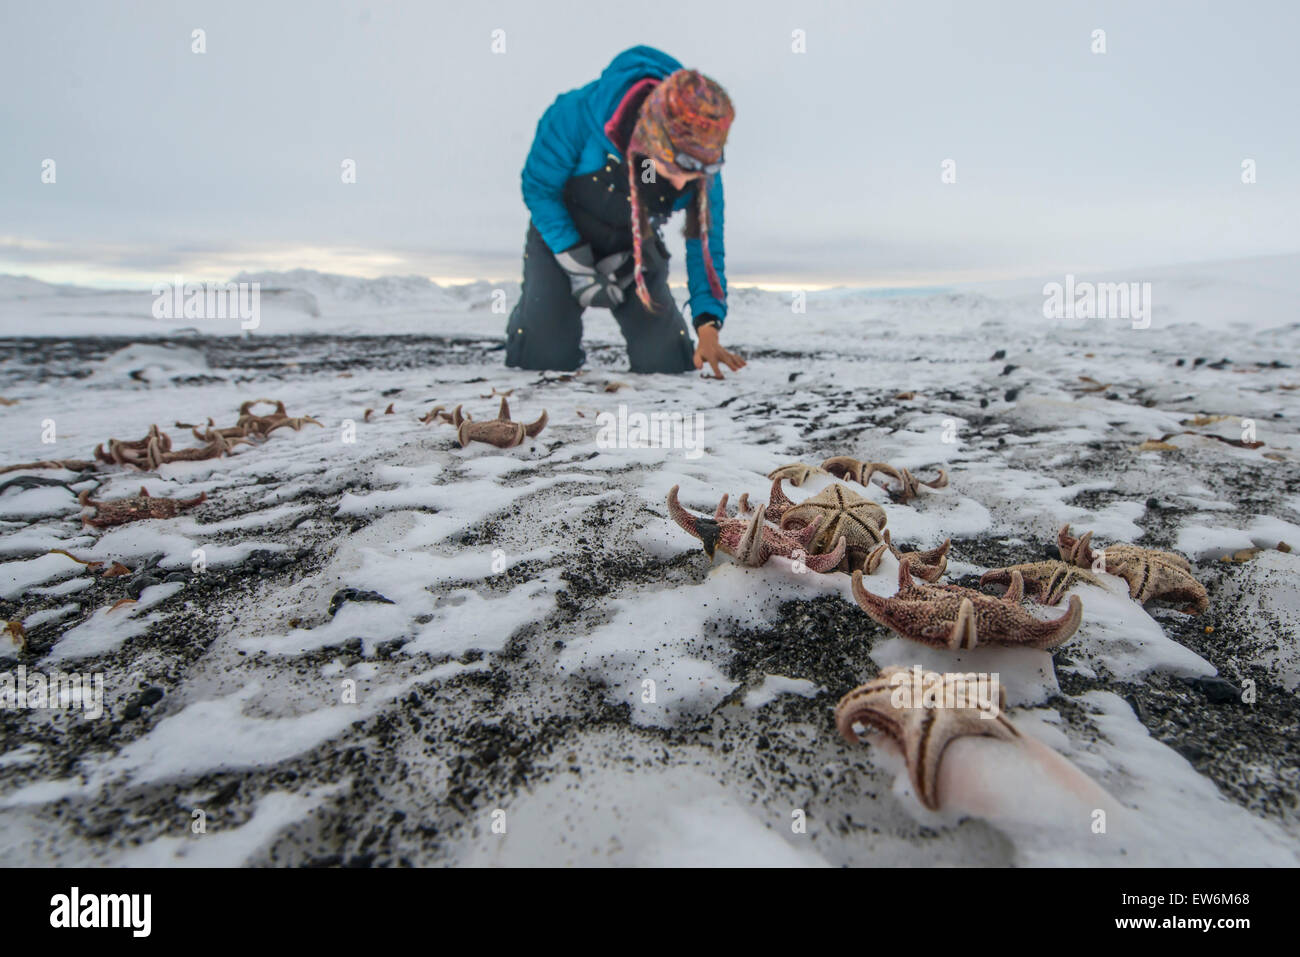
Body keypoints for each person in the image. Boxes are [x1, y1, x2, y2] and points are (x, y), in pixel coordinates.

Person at [504, 46, 746, 379]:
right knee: (545, 358)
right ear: (654, 143)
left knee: (666, 364)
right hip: (560, 236)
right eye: (681, 166)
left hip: (633, 243)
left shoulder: (699, 167)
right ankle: (533, 320)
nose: (684, 184)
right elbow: (539, 188)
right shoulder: (573, 116)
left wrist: (708, 325)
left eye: (704, 169)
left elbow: (705, 244)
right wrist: (576, 262)